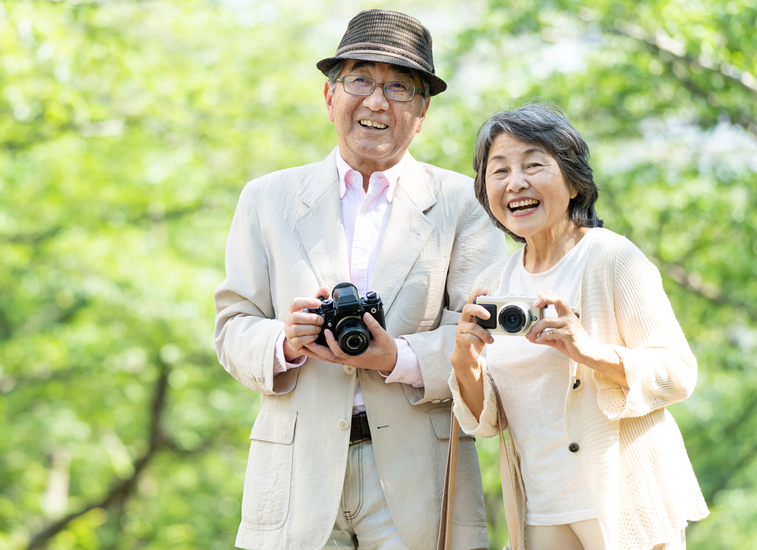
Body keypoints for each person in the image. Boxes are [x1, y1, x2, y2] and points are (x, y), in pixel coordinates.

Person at [214, 9, 507, 550]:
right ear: (330, 97)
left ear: (421, 115)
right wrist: (286, 339)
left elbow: (488, 338)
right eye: (360, 81)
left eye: (400, 88)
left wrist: (395, 357)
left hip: (420, 470)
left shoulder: (463, 203)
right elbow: (232, 328)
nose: (377, 102)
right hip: (294, 473)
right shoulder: (267, 198)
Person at [449, 104, 709, 550]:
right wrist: (465, 365)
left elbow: (678, 373)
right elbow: (487, 423)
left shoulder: (612, 258)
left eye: (534, 165)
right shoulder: (491, 285)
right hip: (539, 511)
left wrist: (587, 352)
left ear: (572, 182)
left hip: (623, 501)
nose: (516, 182)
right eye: (500, 171)